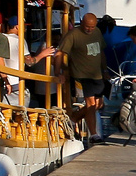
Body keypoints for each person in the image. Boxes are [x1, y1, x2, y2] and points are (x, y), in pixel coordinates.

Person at [33, 12, 108, 140]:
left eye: (92, 27)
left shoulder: (97, 33)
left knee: (99, 104)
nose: (90, 29)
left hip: (97, 74)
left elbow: (100, 52)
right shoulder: (73, 35)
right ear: (82, 23)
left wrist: (105, 70)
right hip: (82, 74)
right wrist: (58, 73)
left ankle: (73, 118)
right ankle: (94, 135)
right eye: (87, 26)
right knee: (90, 104)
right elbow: (59, 54)